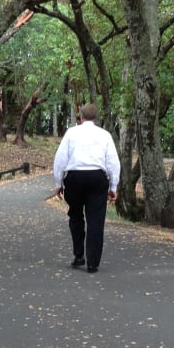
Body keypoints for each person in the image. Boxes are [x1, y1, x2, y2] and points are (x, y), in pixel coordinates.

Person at [53, 102, 120, 274]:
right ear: (95, 118)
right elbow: (113, 162)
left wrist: (58, 183)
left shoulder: (71, 133)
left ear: (80, 117)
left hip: (75, 178)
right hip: (97, 178)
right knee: (95, 220)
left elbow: (60, 159)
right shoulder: (104, 135)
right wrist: (113, 186)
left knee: (75, 216)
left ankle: (78, 255)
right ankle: (93, 263)